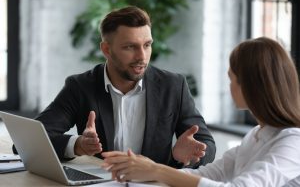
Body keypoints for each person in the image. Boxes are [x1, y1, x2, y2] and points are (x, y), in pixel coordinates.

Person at [31, 6, 216, 168]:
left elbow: (206, 143)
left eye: (147, 45)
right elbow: (32, 140)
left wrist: (187, 157)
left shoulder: (174, 86)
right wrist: (77, 145)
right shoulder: (80, 87)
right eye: (130, 47)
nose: (142, 56)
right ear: (106, 50)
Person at [102, 37, 300, 187]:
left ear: (251, 85)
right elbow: (210, 174)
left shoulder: (293, 141)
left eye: (232, 79)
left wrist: (157, 170)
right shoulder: (255, 135)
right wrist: (147, 170)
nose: (228, 87)